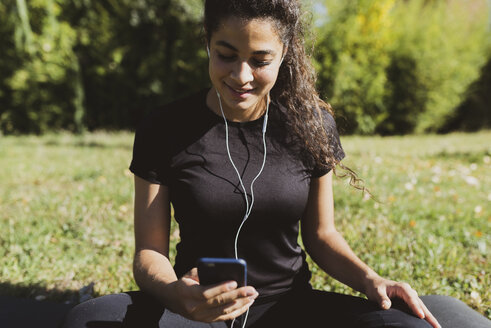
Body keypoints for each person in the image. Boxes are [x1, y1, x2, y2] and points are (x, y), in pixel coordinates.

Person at [61, 1, 491, 328]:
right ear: (207, 43)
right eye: (225, 55)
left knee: (441, 321)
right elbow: (149, 252)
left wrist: (370, 280)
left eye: (260, 60)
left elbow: (322, 236)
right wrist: (176, 295)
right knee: (85, 320)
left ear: (284, 53)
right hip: (195, 311)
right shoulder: (164, 127)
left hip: (290, 308)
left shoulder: (311, 125)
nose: (241, 76)